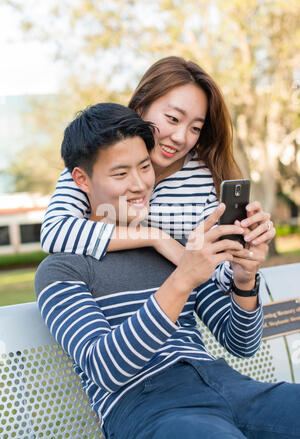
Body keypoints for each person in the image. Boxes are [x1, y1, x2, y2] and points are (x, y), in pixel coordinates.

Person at [35, 103, 300, 439]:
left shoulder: (174, 248)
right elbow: (106, 369)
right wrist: (182, 280)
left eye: (145, 167)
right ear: (82, 180)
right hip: (152, 410)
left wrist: (244, 278)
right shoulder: (62, 270)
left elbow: (242, 343)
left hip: (230, 388)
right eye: (120, 174)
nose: (139, 184)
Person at [40, 56, 275, 293]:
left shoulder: (202, 181)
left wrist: (246, 255)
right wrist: (155, 237)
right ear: (141, 107)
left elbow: (220, 276)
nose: (180, 137)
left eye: (195, 128)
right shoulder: (98, 163)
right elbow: (55, 232)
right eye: (172, 119)